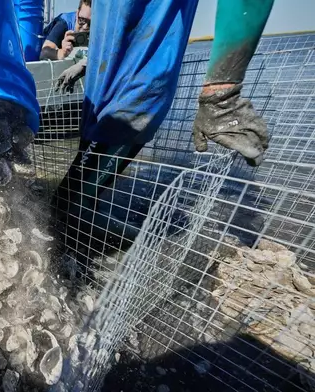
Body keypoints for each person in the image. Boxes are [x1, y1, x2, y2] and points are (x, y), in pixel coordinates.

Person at [52, 0, 274, 264]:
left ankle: (162, 253)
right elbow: (121, 25)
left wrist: (222, 91)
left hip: (133, 101)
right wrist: (87, 63)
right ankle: (95, 246)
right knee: (76, 199)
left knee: (70, 206)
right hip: (101, 103)